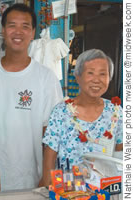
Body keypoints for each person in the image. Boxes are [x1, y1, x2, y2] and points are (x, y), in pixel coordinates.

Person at [0, 3, 63, 191]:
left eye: (25, 26)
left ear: (33, 32)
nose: (18, 32)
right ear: (3, 30)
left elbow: (52, 133)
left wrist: (46, 177)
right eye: (12, 25)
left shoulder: (46, 78)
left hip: (30, 182)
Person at [39, 49, 123, 186]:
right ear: (77, 76)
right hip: (68, 192)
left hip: (105, 192)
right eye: (90, 73)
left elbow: (122, 156)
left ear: (109, 78)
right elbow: (49, 162)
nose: (97, 80)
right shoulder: (61, 112)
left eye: (103, 74)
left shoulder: (116, 112)